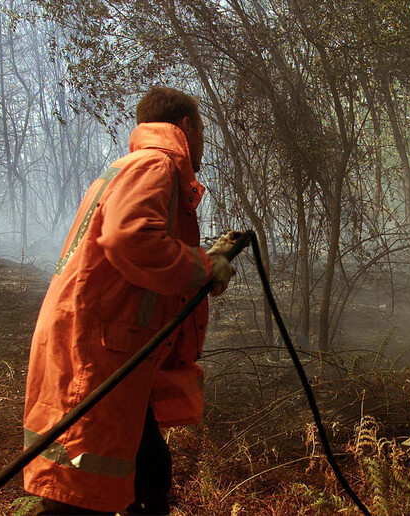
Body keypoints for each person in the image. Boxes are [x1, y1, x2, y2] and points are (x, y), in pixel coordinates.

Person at [23, 87, 239, 514]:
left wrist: (206, 261)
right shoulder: (156, 164)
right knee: (79, 487)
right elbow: (130, 237)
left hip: (103, 343)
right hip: (98, 350)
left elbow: (139, 255)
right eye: (202, 132)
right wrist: (201, 267)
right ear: (187, 126)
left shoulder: (129, 166)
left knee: (148, 467)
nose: (202, 145)